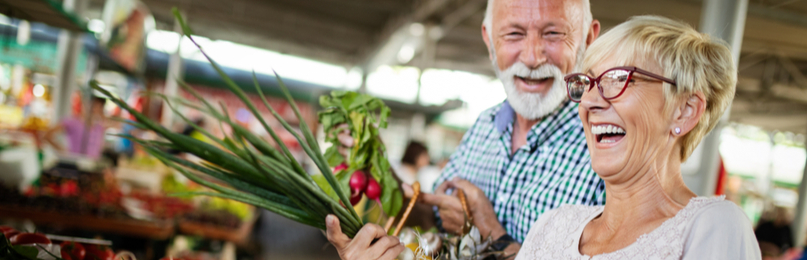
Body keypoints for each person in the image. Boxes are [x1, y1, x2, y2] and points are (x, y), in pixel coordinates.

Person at [325, 0, 604, 258]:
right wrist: (380, 173)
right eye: (514, 34)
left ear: (588, 39)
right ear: (488, 39)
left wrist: (486, 229)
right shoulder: (485, 124)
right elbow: (430, 216)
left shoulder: (606, 146)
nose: (532, 57)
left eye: (553, 33)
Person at [515, 15, 760, 259]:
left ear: (684, 111)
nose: (588, 101)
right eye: (588, 82)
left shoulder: (712, 226)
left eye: (619, 79)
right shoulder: (553, 225)